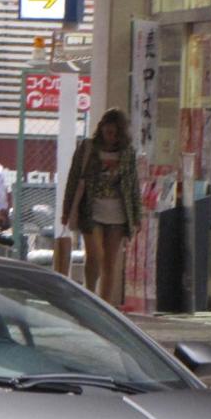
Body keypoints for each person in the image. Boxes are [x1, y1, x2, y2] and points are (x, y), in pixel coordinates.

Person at [61, 108, 143, 304]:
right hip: (91, 211)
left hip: (119, 214)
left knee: (110, 263)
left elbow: (133, 185)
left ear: (121, 134)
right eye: (107, 132)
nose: (110, 137)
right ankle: (90, 295)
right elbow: (73, 179)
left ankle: (105, 305)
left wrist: (137, 216)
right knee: (96, 255)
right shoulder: (87, 148)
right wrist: (67, 210)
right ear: (101, 129)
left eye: (115, 133)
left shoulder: (127, 153)